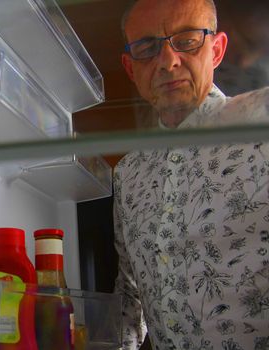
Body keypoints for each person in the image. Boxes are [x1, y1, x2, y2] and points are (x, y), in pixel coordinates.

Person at [113, 0, 269, 349]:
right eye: (147, 47)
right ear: (130, 67)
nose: (168, 61)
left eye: (186, 40)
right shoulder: (128, 173)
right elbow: (130, 295)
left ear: (216, 50)